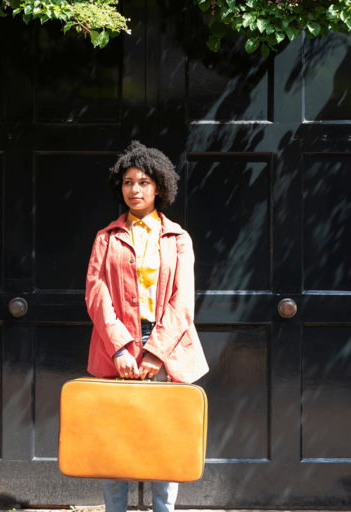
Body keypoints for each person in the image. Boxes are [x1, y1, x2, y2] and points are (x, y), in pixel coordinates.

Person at [85, 141, 209, 512]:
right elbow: (96, 294)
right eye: (128, 181)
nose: (135, 189)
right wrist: (120, 346)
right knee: (115, 437)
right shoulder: (106, 238)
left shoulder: (178, 238)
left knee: (164, 437)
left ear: (159, 188)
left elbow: (183, 300)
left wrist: (156, 350)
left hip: (165, 347)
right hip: (116, 347)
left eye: (143, 182)